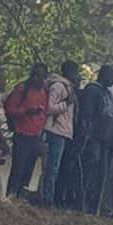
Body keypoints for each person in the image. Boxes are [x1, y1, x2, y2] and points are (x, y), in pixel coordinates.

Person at [4, 63, 48, 198]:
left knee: (29, 169)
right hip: (22, 134)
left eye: (41, 76)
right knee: (18, 167)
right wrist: (26, 111)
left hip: (36, 136)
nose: (38, 79)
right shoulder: (22, 89)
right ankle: (11, 194)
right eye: (35, 75)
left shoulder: (44, 92)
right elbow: (9, 109)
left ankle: (21, 196)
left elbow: (45, 112)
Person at [79, 64, 113, 214]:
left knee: (101, 176)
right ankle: (82, 205)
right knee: (90, 173)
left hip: (106, 142)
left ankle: (93, 209)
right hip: (93, 140)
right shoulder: (92, 90)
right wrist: (87, 136)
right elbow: (87, 116)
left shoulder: (108, 94)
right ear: (105, 74)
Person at [41, 61, 78, 207]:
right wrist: (66, 103)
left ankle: (50, 198)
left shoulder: (69, 88)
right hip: (55, 131)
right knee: (51, 168)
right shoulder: (58, 86)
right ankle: (46, 199)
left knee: (56, 168)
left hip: (64, 132)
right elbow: (49, 108)